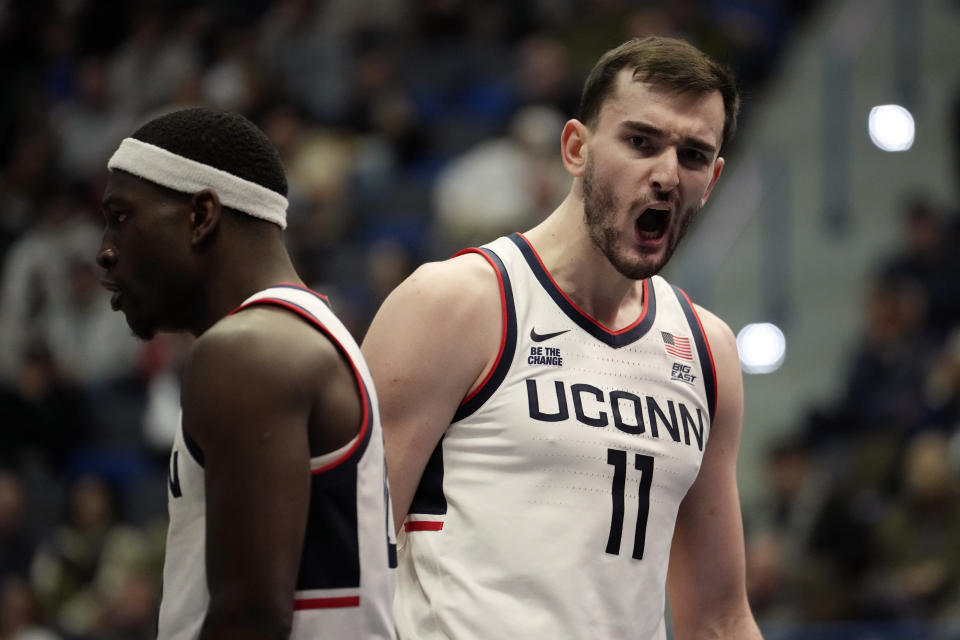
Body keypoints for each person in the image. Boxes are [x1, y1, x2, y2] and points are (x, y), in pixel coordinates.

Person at [362, 36, 763, 639]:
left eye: (693, 155)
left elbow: (719, 619)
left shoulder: (708, 352)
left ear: (712, 179)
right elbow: (344, 557)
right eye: (640, 142)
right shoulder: (459, 303)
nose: (665, 175)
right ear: (576, 148)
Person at [96, 107, 396, 640]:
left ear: (201, 215)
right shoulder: (303, 333)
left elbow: (250, 620)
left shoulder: (246, 353)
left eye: (121, 217)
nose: (105, 251)